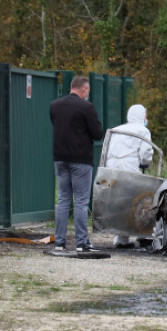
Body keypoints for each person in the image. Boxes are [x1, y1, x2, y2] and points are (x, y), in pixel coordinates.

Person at [50, 75, 104, 252]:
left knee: (63, 199)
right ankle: (82, 243)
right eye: (87, 91)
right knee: (81, 201)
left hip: (60, 158)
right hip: (81, 159)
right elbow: (97, 134)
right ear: (84, 90)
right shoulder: (86, 107)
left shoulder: (55, 106)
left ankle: (59, 242)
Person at [104, 104, 154, 248]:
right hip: (130, 168)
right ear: (141, 116)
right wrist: (145, 163)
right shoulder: (143, 130)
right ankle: (143, 235)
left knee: (119, 202)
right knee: (139, 201)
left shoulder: (116, 130)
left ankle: (121, 238)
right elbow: (146, 153)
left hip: (111, 169)